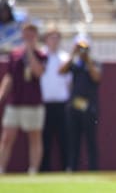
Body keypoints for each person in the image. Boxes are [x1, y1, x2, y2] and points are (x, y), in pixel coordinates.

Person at [0, 23, 47, 174]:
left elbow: (38, 72)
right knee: (7, 136)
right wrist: (1, 94)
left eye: (32, 34)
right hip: (15, 101)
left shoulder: (41, 54)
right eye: (26, 34)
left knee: (34, 137)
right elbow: (9, 77)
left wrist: (30, 52)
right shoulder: (14, 55)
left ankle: (33, 170)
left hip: (33, 103)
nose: (29, 37)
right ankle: (1, 168)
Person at [60, 35, 102, 171]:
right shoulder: (74, 64)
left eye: (85, 48)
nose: (82, 50)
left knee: (91, 140)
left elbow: (97, 77)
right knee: (73, 140)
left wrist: (87, 60)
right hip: (74, 106)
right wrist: (73, 53)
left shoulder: (94, 62)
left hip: (89, 106)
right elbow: (61, 71)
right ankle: (72, 167)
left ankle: (93, 168)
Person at [39, 26, 71, 172]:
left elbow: (69, 82)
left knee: (64, 138)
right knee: (45, 139)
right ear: (46, 39)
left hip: (61, 103)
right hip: (44, 103)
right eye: (52, 37)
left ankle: (66, 168)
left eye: (57, 37)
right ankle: (43, 169)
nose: (54, 41)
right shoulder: (40, 55)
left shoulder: (65, 57)